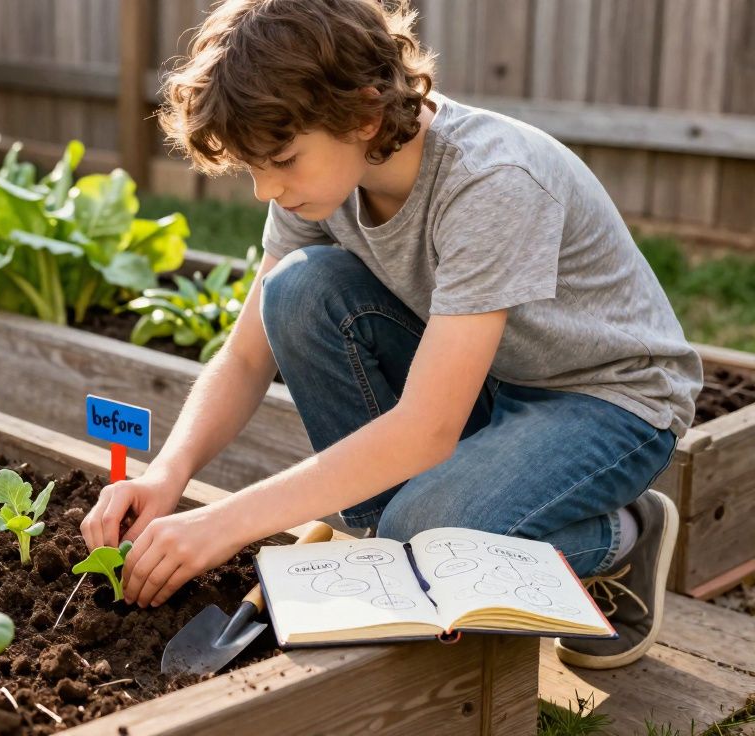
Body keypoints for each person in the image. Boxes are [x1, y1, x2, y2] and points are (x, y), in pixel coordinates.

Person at [78, 0, 701, 670]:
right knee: (297, 289)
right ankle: (405, 531)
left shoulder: (491, 181)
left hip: (610, 404)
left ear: (366, 115)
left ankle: (623, 533)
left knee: (421, 537)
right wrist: (167, 475)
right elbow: (246, 354)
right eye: (254, 166)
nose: (266, 189)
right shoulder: (320, 182)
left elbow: (426, 429)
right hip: (496, 384)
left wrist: (227, 524)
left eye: (282, 160)